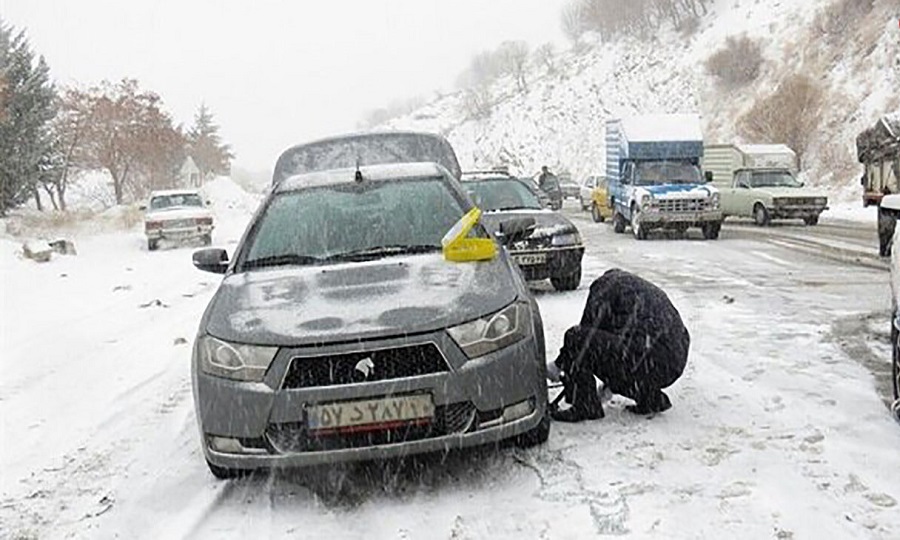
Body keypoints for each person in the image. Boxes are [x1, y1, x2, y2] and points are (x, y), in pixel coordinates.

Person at [548, 268, 690, 422]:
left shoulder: (604, 286)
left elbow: (584, 335)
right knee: (628, 358)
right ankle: (650, 399)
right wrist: (611, 381)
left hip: (651, 354)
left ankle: (585, 407)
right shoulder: (634, 291)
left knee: (575, 337)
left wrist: (559, 365)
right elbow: (619, 345)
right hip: (673, 361)